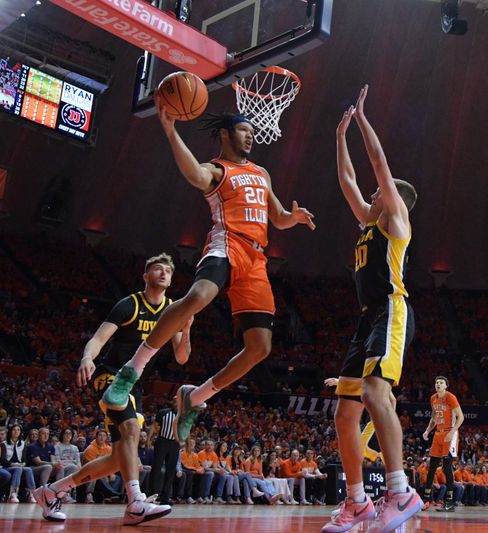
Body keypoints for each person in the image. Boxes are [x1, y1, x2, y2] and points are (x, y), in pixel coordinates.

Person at [101, 107, 315, 445]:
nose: (251, 136)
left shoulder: (262, 173)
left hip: (257, 261)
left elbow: (278, 217)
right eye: (244, 131)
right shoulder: (218, 170)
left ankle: (195, 398)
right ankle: (132, 370)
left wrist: (294, 217)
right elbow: (193, 175)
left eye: (252, 132)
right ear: (226, 135)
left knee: (259, 348)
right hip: (227, 244)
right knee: (199, 297)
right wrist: (171, 132)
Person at [322, 85, 421, 533]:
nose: (371, 194)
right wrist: (339, 135)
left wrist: (362, 119)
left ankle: (400, 491)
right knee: (344, 413)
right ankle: (357, 502)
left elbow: (378, 166)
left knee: (376, 394)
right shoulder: (367, 221)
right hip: (366, 319)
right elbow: (347, 182)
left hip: (390, 309)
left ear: (389, 197)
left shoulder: (397, 218)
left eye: (378, 192)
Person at [33, 254, 186, 523]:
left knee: (120, 458)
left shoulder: (172, 310)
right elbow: (99, 338)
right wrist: (87, 358)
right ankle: (135, 502)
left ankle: (53, 491)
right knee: (131, 430)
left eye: (168, 271)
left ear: (171, 280)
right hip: (111, 377)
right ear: (145, 276)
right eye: (157, 269)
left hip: (136, 384)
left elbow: (182, 356)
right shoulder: (129, 304)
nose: (163, 273)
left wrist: (189, 328)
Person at [421, 376, 464, 512]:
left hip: (449, 433)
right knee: (432, 467)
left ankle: (449, 502)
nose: (438, 384)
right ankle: (426, 500)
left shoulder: (450, 397)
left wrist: (452, 432)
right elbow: (434, 417)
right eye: (436, 382)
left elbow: (461, 417)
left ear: (446, 385)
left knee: (446, 467)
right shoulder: (433, 398)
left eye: (441, 383)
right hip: (438, 433)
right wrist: (428, 431)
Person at [149, 402, 180, 504]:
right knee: (156, 469)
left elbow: (186, 429)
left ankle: (165, 497)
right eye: (175, 400)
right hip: (162, 441)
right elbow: (154, 425)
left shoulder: (183, 415)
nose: (177, 402)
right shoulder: (163, 412)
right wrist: (149, 439)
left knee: (170, 471)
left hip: (175, 443)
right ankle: (152, 495)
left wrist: (185, 441)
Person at [1, 423, 36, 503]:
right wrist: (12, 464)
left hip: (19, 466)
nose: (16, 432)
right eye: (14, 430)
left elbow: (25, 459)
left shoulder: (23, 444)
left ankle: (32, 494)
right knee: (18, 469)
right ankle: (13, 493)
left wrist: (23, 463)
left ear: (20, 432)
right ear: (10, 432)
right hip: (8, 467)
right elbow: (2, 460)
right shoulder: (4, 444)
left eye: (18, 430)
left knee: (28, 469)